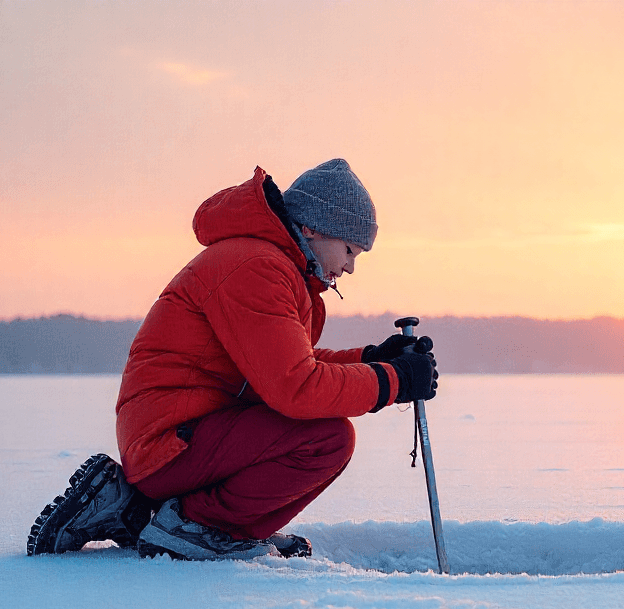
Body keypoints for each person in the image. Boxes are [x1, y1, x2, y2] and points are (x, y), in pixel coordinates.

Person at [26, 159, 438, 561]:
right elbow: (296, 386)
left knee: (324, 433)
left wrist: (372, 360)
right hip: (170, 443)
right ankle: (196, 526)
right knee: (327, 440)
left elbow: (286, 364)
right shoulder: (258, 267)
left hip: (183, 434)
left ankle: (156, 514)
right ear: (311, 227)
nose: (349, 267)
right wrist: (392, 381)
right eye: (349, 249)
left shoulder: (269, 263)